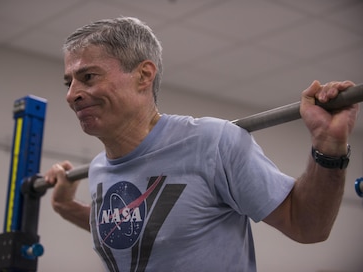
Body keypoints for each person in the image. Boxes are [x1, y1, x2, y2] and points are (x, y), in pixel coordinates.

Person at [44, 17, 359, 272]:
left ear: (143, 75)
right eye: (68, 82)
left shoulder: (213, 142)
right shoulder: (99, 168)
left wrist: (327, 145)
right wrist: (65, 206)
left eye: (88, 77)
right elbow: (135, 233)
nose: (72, 94)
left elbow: (307, 226)